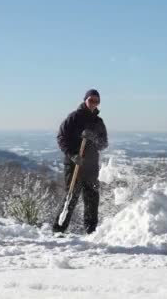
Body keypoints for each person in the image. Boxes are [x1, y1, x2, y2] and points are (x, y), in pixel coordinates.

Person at [53, 89, 108, 234]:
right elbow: (61, 138)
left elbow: (103, 144)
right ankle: (58, 229)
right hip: (74, 164)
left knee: (92, 198)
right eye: (91, 100)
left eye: (97, 101)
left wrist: (93, 137)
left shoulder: (98, 122)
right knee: (71, 196)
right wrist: (72, 155)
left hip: (91, 166)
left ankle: (91, 231)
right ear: (85, 100)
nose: (93, 103)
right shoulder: (74, 117)